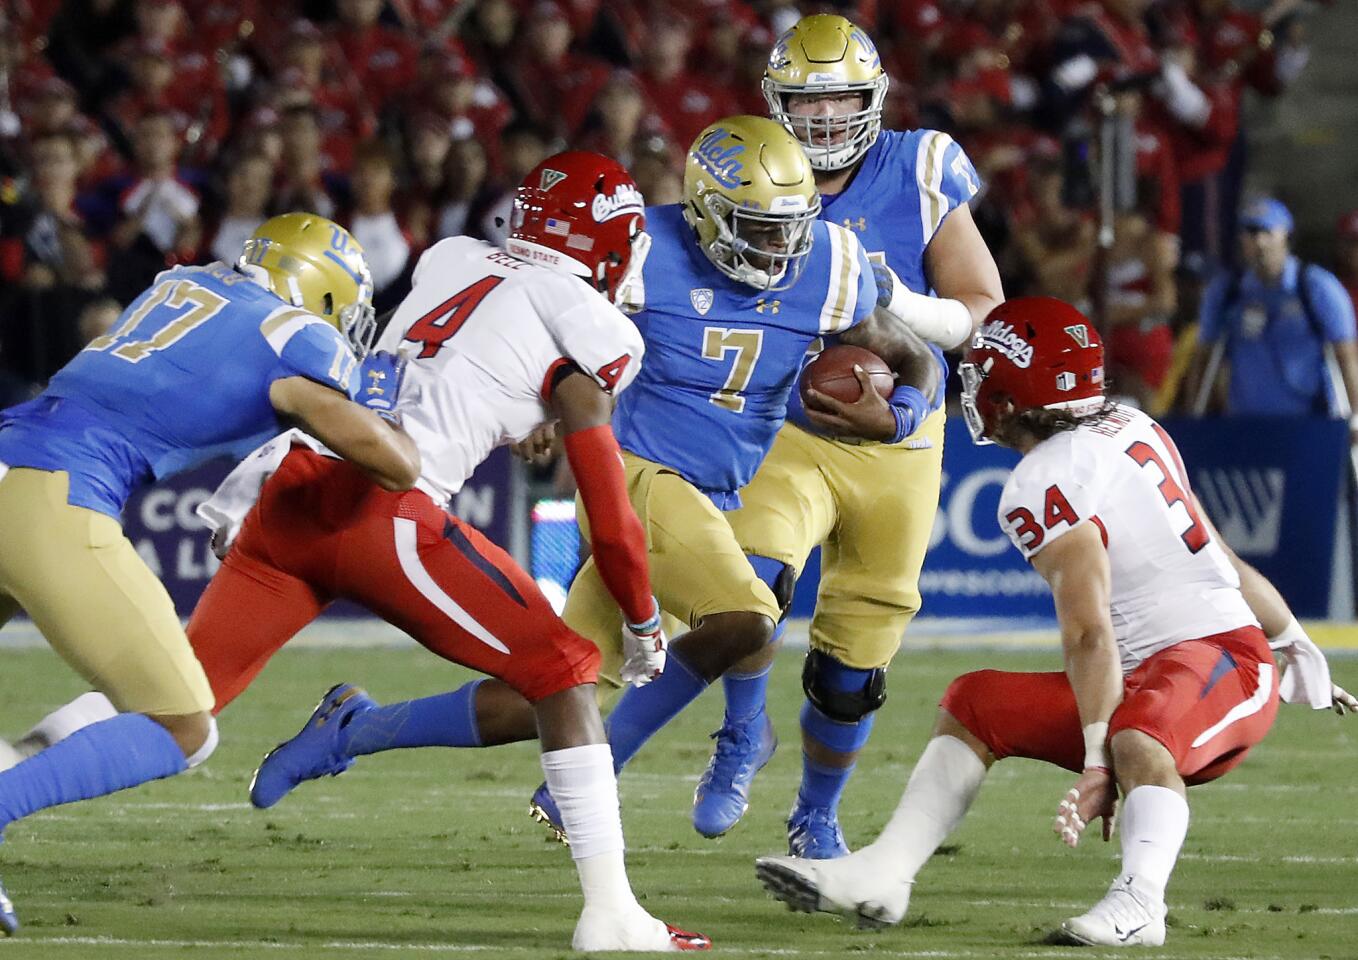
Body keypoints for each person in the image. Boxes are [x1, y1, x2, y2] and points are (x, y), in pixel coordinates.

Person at [19, 153, 710, 952]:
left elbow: (469, 361)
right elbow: (609, 508)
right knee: (563, 668)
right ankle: (614, 915)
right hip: (388, 509)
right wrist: (641, 618)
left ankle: (11, 763)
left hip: (296, 492)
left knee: (177, 696)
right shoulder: (593, 329)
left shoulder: (451, 255)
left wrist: (535, 407)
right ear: (609, 245)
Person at [755, 296, 1356, 947]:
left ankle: (1140, 903)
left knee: (1135, 735)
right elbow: (1222, 556)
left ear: (1013, 397)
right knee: (976, 701)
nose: (974, 385)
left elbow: (1089, 630)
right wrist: (1294, 639)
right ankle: (885, 872)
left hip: (1219, 662)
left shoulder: (1046, 477)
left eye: (986, 374)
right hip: (1162, 670)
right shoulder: (1131, 424)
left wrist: (1100, 755)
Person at [528, 113, 942, 845]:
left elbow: (919, 360)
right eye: (761, 225)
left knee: (542, 690)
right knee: (747, 608)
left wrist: (899, 418)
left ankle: (356, 729)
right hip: (635, 479)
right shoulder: (641, 251)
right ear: (707, 212)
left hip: (722, 485)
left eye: (794, 223)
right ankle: (721, 739)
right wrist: (535, 402)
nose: (784, 244)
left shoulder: (830, 262)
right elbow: (549, 335)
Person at [0, 212, 419, 936]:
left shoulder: (181, 285)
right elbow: (395, 462)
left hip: (12, 446)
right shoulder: (295, 335)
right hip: (53, 492)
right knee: (184, 725)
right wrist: (375, 401)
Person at [681, 13, 1004, 858]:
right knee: (742, 588)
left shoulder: (922, 166)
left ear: (874, 100)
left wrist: (901, 339)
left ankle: (817, 814)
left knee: (852, 672)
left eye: (840, 102)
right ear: (774, 104)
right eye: (807, 104)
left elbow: (979, 308)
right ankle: (744, 732)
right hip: (785, 422)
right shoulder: (746, 162)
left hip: (903, 442)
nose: (824, 122)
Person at [1186, 198, 1358, 435]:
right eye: (1250, 232)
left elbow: (1346, 357)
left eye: (1267, 231)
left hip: (1310, 423)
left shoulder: (1316, 287)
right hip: (1244, 425)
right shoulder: (1227, 292)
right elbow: (1204, 357)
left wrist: (1355, 419)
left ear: (1285, 235)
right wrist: (1193, 421)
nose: (1259, 242)